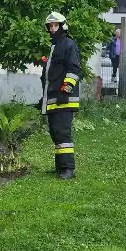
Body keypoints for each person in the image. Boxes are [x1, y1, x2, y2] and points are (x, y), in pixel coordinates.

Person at [42, 11, 80, 180]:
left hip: (64, 98)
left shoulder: (69, 45)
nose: (52, 29)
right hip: (53, 97)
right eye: (50, 26)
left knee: (63, 133)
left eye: (55, 25)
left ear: (62, 26)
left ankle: (68, 169)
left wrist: (66, 89)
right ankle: (60, 167)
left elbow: (74, 69)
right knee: (55, 133)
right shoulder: (54, 47)